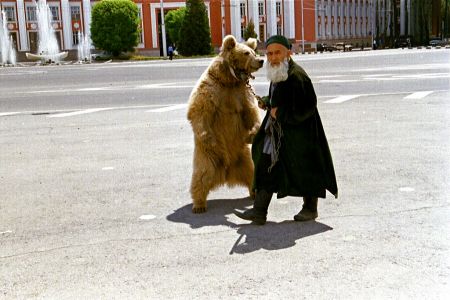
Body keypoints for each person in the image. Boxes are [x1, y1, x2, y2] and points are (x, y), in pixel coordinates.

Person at [234, 35, 338, 225]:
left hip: (301, 135)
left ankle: (310, 209)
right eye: (270, 53)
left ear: (288, 53)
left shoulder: (298, 76)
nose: (273, 57)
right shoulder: (278, 71)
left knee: (305, 169)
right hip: (280, 134)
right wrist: (267, 101)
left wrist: (280, 113)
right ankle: (258, 212)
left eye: (277, 53)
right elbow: (279, 97)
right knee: (267, 165)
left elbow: (308, 107)